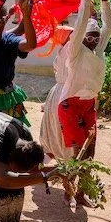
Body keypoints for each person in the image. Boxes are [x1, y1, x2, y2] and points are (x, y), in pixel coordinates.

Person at [54, 0, 111, 206]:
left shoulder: (98, 51)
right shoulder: (74, 52)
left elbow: (109, 26)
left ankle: (81, 192)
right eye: (90, 37)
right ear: (82, 38)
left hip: (89, 105)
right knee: (78, 150)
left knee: (90, 150)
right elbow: (78, 28)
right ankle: (69, 189)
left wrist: (104, 0)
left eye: (97, 37)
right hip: (70, 105)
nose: (95, 40)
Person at [38, 24, 74, 159]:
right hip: (65, 91)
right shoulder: (69, 50)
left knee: (54, 123)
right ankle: (65, 154)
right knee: (61, 124)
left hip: (58, 91)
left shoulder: (63, 51)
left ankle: (53, 152)